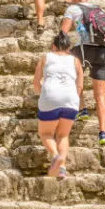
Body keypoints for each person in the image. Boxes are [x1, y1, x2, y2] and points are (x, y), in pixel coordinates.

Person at [61, 0, 105, 145]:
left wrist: (60, 51)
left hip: (83, 49)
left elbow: (63, 31)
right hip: (102, 52)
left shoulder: (73, 8)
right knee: (100, 95)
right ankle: (103, 133)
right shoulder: (100, 11)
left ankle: (82, 108)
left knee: (73, 78)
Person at [33, 31, 84, 180]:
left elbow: (36, 83)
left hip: (50, 96)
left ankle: (56, 156)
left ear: (53, 46)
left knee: (45, 134)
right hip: (71, 99)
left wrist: (44, 95)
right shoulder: (75, 61)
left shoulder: (45, 57)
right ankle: (62, 167)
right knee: (63, 135)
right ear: (68, 48)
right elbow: (79, 87)